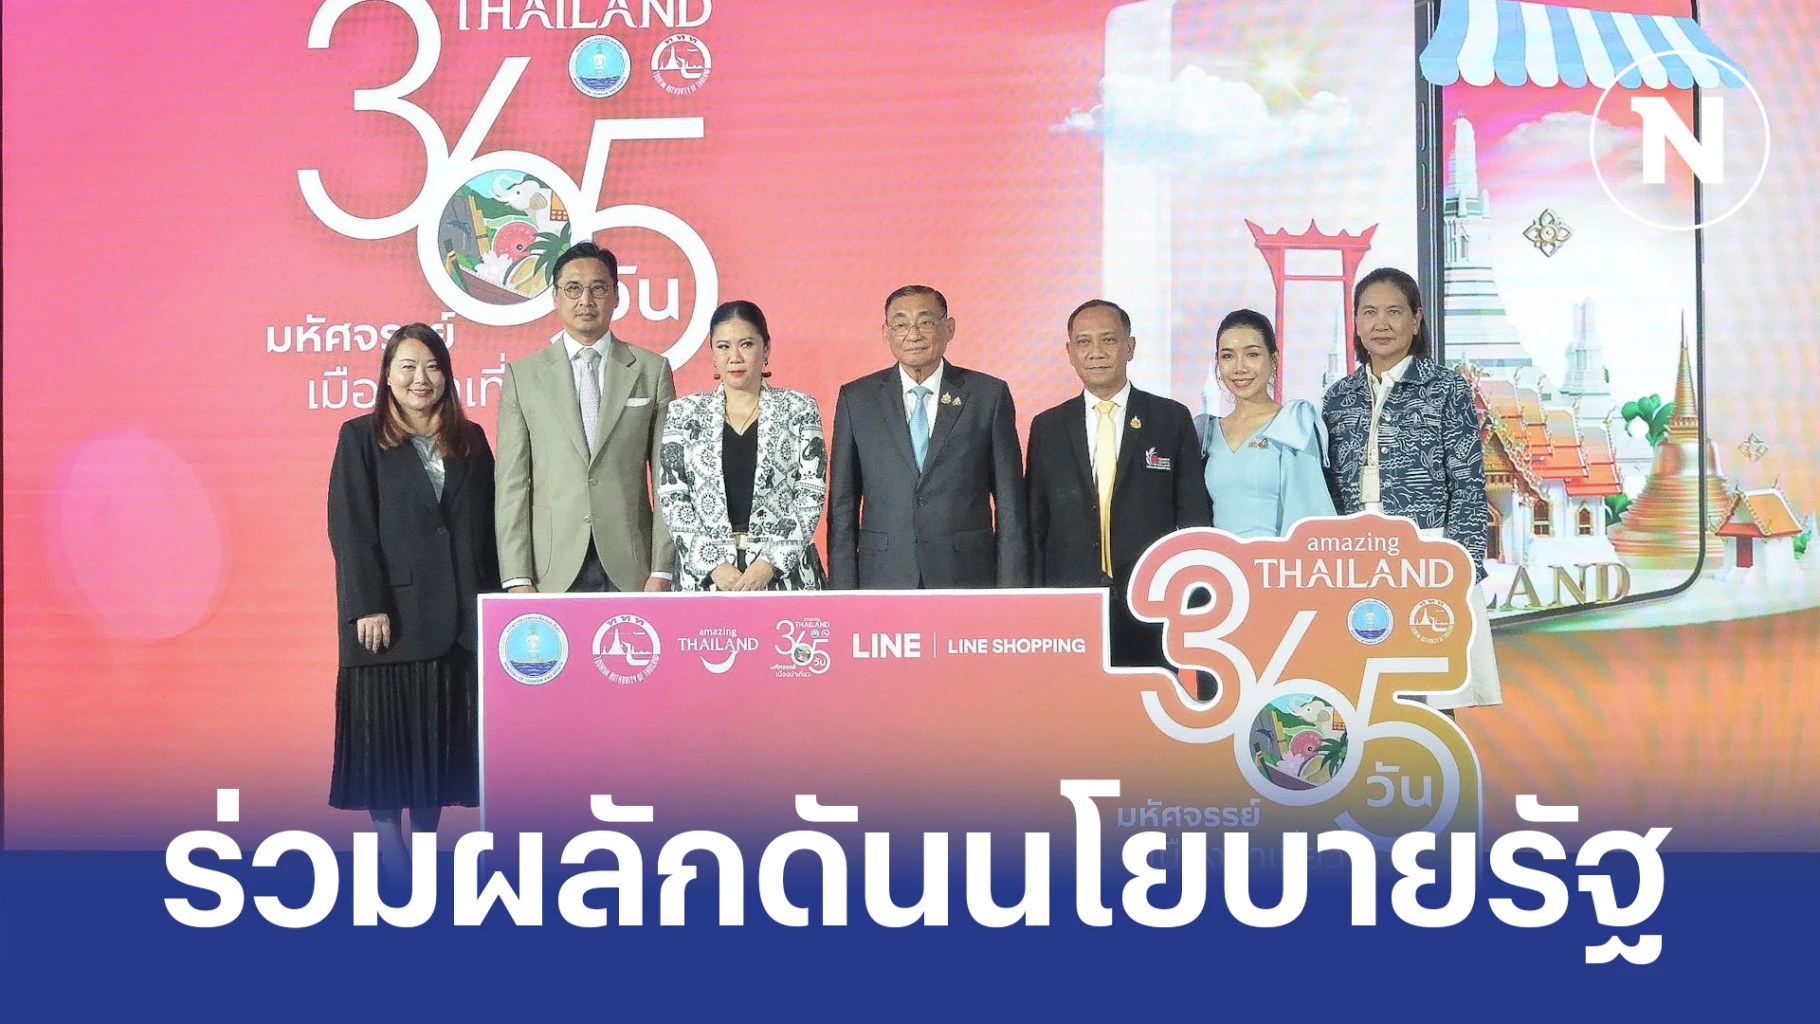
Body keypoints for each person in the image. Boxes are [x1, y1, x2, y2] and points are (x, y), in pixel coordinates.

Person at [326, 323, 499, 875]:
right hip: (390, 619)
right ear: (387, 376)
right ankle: (389, 849)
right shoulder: (360, 437)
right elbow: (350, 528)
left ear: (447, 375)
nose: (420, 378)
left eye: (432, 366)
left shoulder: (472, 440)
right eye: (407, 367)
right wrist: (366, 603)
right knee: (386, 743)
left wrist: (498, 604)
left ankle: (425, 849)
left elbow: (490, 528)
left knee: (435, 748)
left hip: (460, 619)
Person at [1322, 267, 1500, 709]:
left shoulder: (1446, 388)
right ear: (1356, 322)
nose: (1380, 324)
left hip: (1428, 551)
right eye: (1369, 312)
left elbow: (1467, 485)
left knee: (1434, 689)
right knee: (1367, 693)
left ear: (1416, 319)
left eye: (1394, 312)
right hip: (1357, 556)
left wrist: (1461, 566)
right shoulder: (1338, 396)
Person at [1027, 299, 1211, 672]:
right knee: (1074, 701)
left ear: (1130, 347)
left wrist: (1193, 594)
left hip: (1153, 599)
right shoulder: (1047, 427)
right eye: (1084, 342)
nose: (1095, 352)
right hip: (1070, 602)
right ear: (1069, 352)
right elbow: (1034, 524)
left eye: (1108, 340)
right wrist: (1034, 599)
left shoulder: (1170, 419)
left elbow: (1194, 517)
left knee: (1151, 702)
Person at [495, 241, 675, 593]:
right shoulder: (523, 376)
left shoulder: (651, 370)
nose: (586, 300)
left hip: (633, 567)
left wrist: (662, 569)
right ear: (555, 297)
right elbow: (511, 484)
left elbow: (667, 479)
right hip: (551, 569)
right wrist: (517, 577)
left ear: (616, 296)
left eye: (598, 288)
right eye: (573, 288)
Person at [828, 285, 1029, 589]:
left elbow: (1010, 502)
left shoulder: (988, 396)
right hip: (884, 574)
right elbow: (842, 504)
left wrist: (1011, 590)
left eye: (925, 322)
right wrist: (842, 592)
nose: (913, 334)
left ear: (949, 328)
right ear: (886, 333)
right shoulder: (857, 399)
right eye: (901, 324)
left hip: (966, 574)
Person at [657, 301, 827, 590]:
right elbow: (673, 497)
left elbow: (810, 493)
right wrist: (713, 565)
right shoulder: (684, 413)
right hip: (705, 581)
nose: (734, 357)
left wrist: (768, 564)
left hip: (785, 578)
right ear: (713, 354)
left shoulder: (799, 408)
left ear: (766, 349)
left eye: (746, 344)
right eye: (723, 347)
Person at [1197, 308, 1336, 537]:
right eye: (1228, 356)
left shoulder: (1292, 424)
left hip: (1276, 559)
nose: (1240, 368)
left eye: (1252, 355)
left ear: (1274, 360)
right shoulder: (1206, 433)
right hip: (1219, 559)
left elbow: (1310, 520)